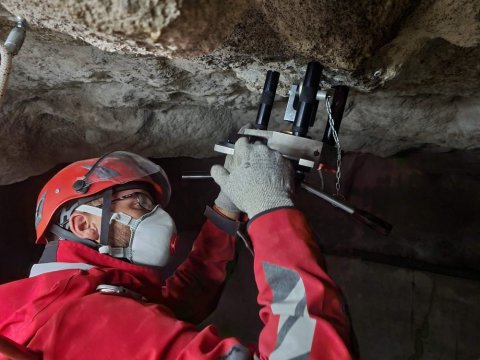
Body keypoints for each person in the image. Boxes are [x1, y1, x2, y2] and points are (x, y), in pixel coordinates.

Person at [0, 138, 354, 359]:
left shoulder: (53, 305)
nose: (157, 218)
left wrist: (226, 211)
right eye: (137, 202)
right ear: (83, 224)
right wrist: (270, 208)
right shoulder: (89, 317)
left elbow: (173, 306)